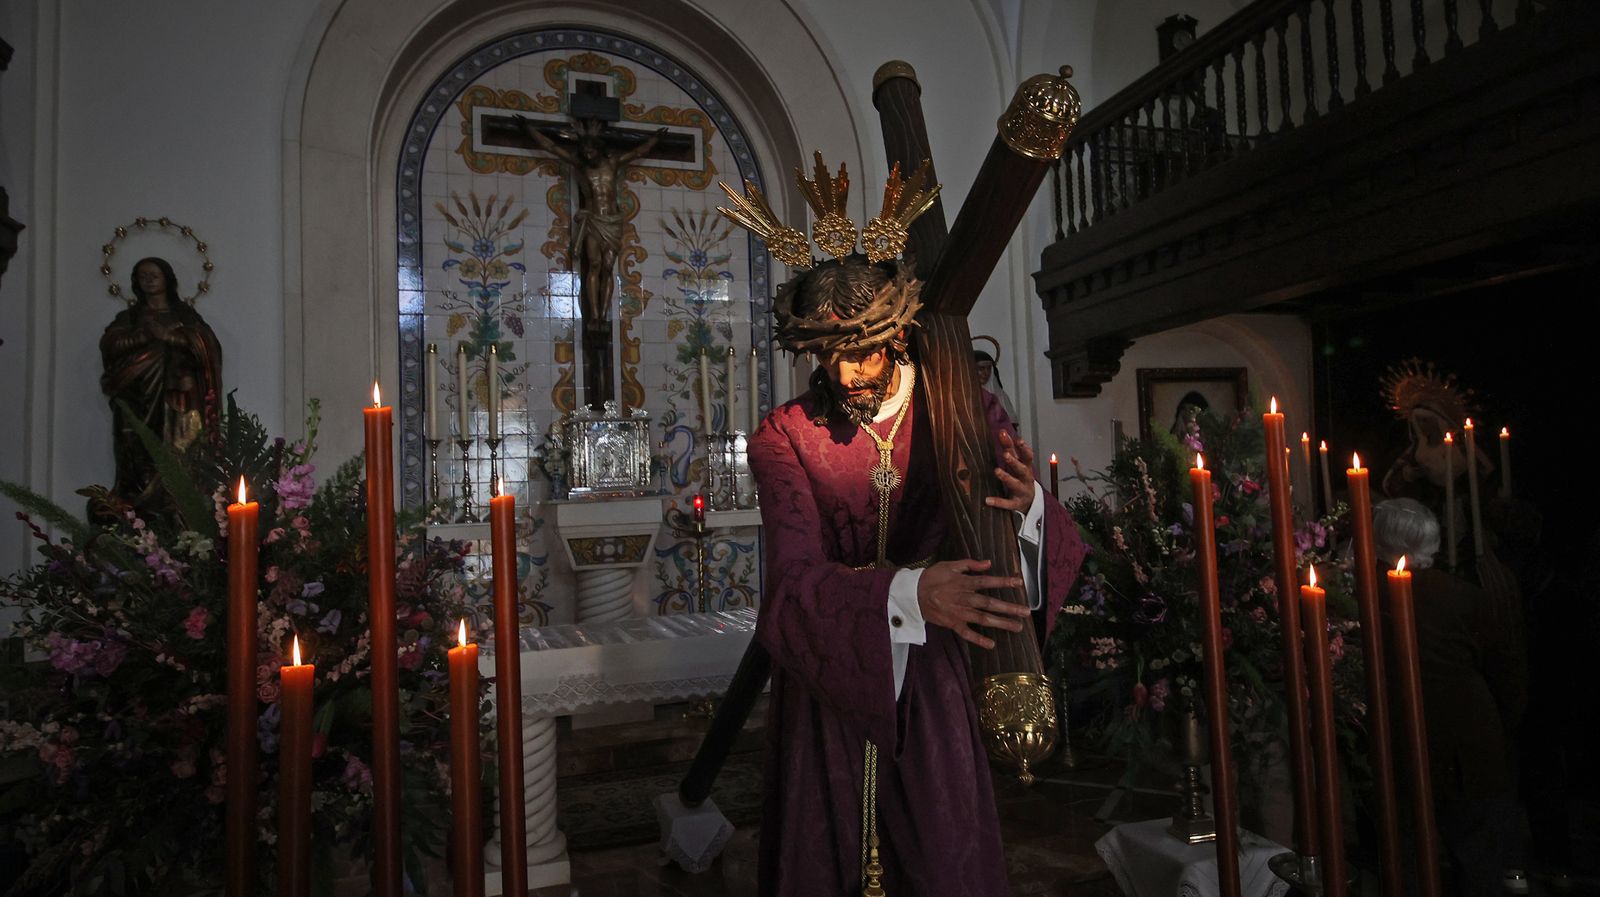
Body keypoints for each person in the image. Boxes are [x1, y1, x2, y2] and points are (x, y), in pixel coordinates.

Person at [748, 252, 1086, 897]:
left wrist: (1030, 508)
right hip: (830, 676)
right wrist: (909, 593)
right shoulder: (785, 434)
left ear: (897, 334)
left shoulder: (963, 409)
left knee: (942, 852)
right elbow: (791, 584)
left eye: (865, 351)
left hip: (935, 675)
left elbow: (1020, 540)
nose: (848, 371)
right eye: (830, 355)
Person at [1372, 498, 1526, 897]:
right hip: (1468, 745)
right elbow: (1506, 672)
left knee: (1408, 861)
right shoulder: (1463, 595)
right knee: (1475, 861)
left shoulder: (1368, 596)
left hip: (1412, 744)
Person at [515, 115, 663, 405]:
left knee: (609, 270)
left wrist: (657, 139)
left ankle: (604, 312)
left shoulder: (613, 163)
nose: (588, 155)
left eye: (591, 151)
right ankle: (594, 315)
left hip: (613, 220)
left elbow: (639, 152)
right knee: (593, 266)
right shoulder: (579, 165)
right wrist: (527, 130)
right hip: (593, 220)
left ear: (598, 148)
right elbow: (550, 147)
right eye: (584, 152)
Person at [98, 257, 223, 516]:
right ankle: (138, 504)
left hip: (178, 401)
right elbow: (110, 345)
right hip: (137, 400)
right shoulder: (130, 317)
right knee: (137, 449)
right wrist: (144, 336)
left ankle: (176, 507)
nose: (149, 280)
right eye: (142, 275)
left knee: (183, 452)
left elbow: (207, 346)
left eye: (154, 274)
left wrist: (170, 337)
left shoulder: (184, 315)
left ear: (168, 278)